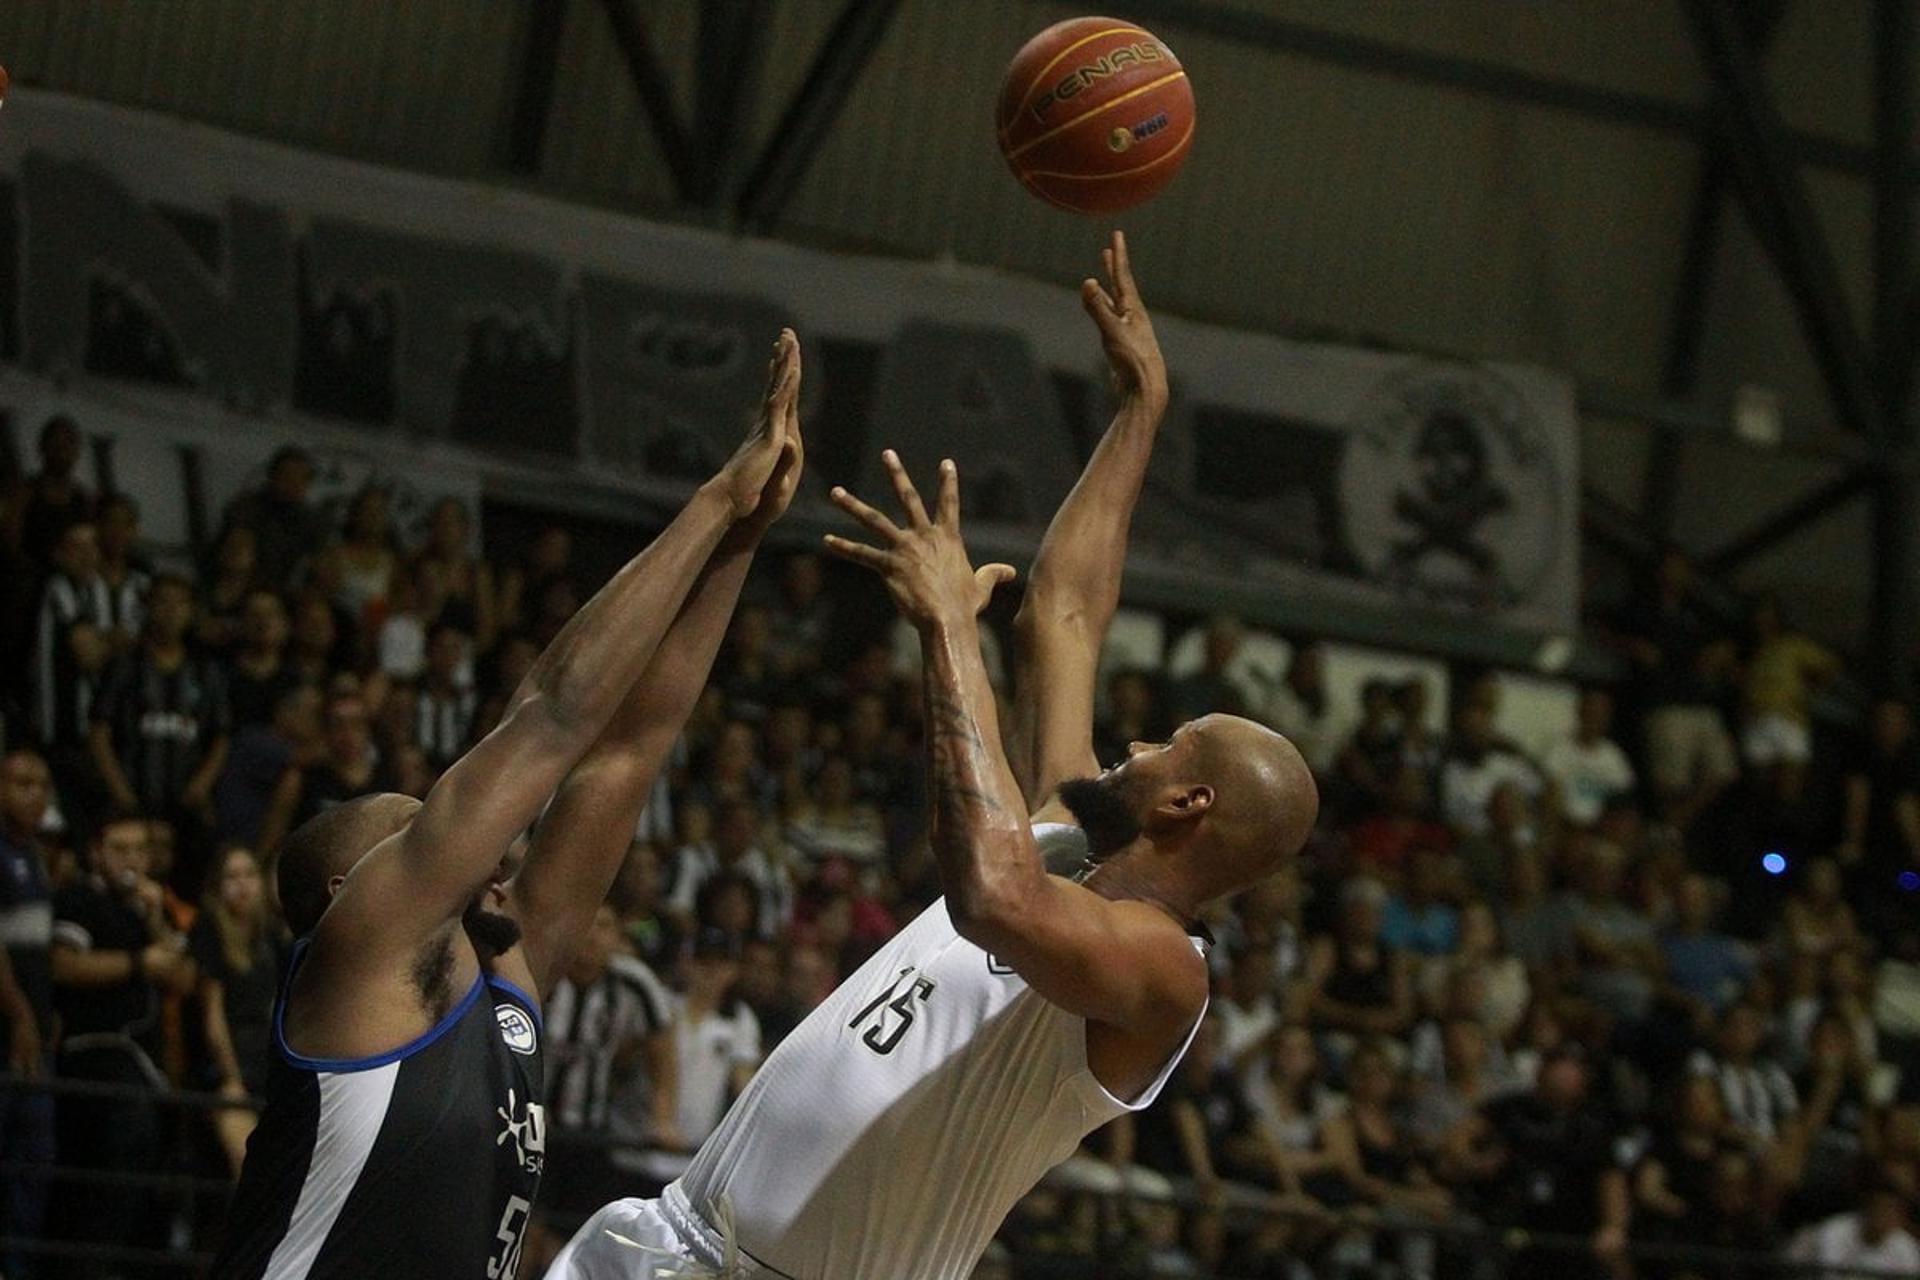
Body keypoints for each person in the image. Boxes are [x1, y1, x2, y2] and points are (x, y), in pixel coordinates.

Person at [550, 233, 1318, 1280]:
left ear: (1188, 802)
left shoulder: (1162, 974)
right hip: (675, 1232)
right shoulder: (1056, 834)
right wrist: (1139, 410)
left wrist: (949, 627)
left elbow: (990, 895)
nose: (1134, 742)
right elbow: (1066, 606)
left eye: (1167, 743)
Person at [207, 329, 805, 1279]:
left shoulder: (505, 985)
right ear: (340, 891)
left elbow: (630, 751)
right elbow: (555, 714)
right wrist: (714, 499)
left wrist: (744, 538)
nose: (466, 840)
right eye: (412, 829)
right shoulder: (359, 960)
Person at [49, 812, 197, 1273]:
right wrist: (138, 963)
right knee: (111, 1167)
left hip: (147, 1059)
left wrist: (155, 920)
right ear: (97, 853)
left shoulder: (144, 907)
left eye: (140, 850)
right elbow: (65, 965)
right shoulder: (79, 899)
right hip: (95, 1049)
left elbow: (185, 976)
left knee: (152, 1172)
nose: (132, 860)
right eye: (120, 849)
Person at [190, 846, 287, 1175]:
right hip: (229, 1064)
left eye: (249, 874)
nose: (242, 884)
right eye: (232, 876)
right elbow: (212, 1013)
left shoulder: (271, 935)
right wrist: (229, 1076)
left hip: (267, 1062)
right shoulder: (210, 931)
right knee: (246, 1162)